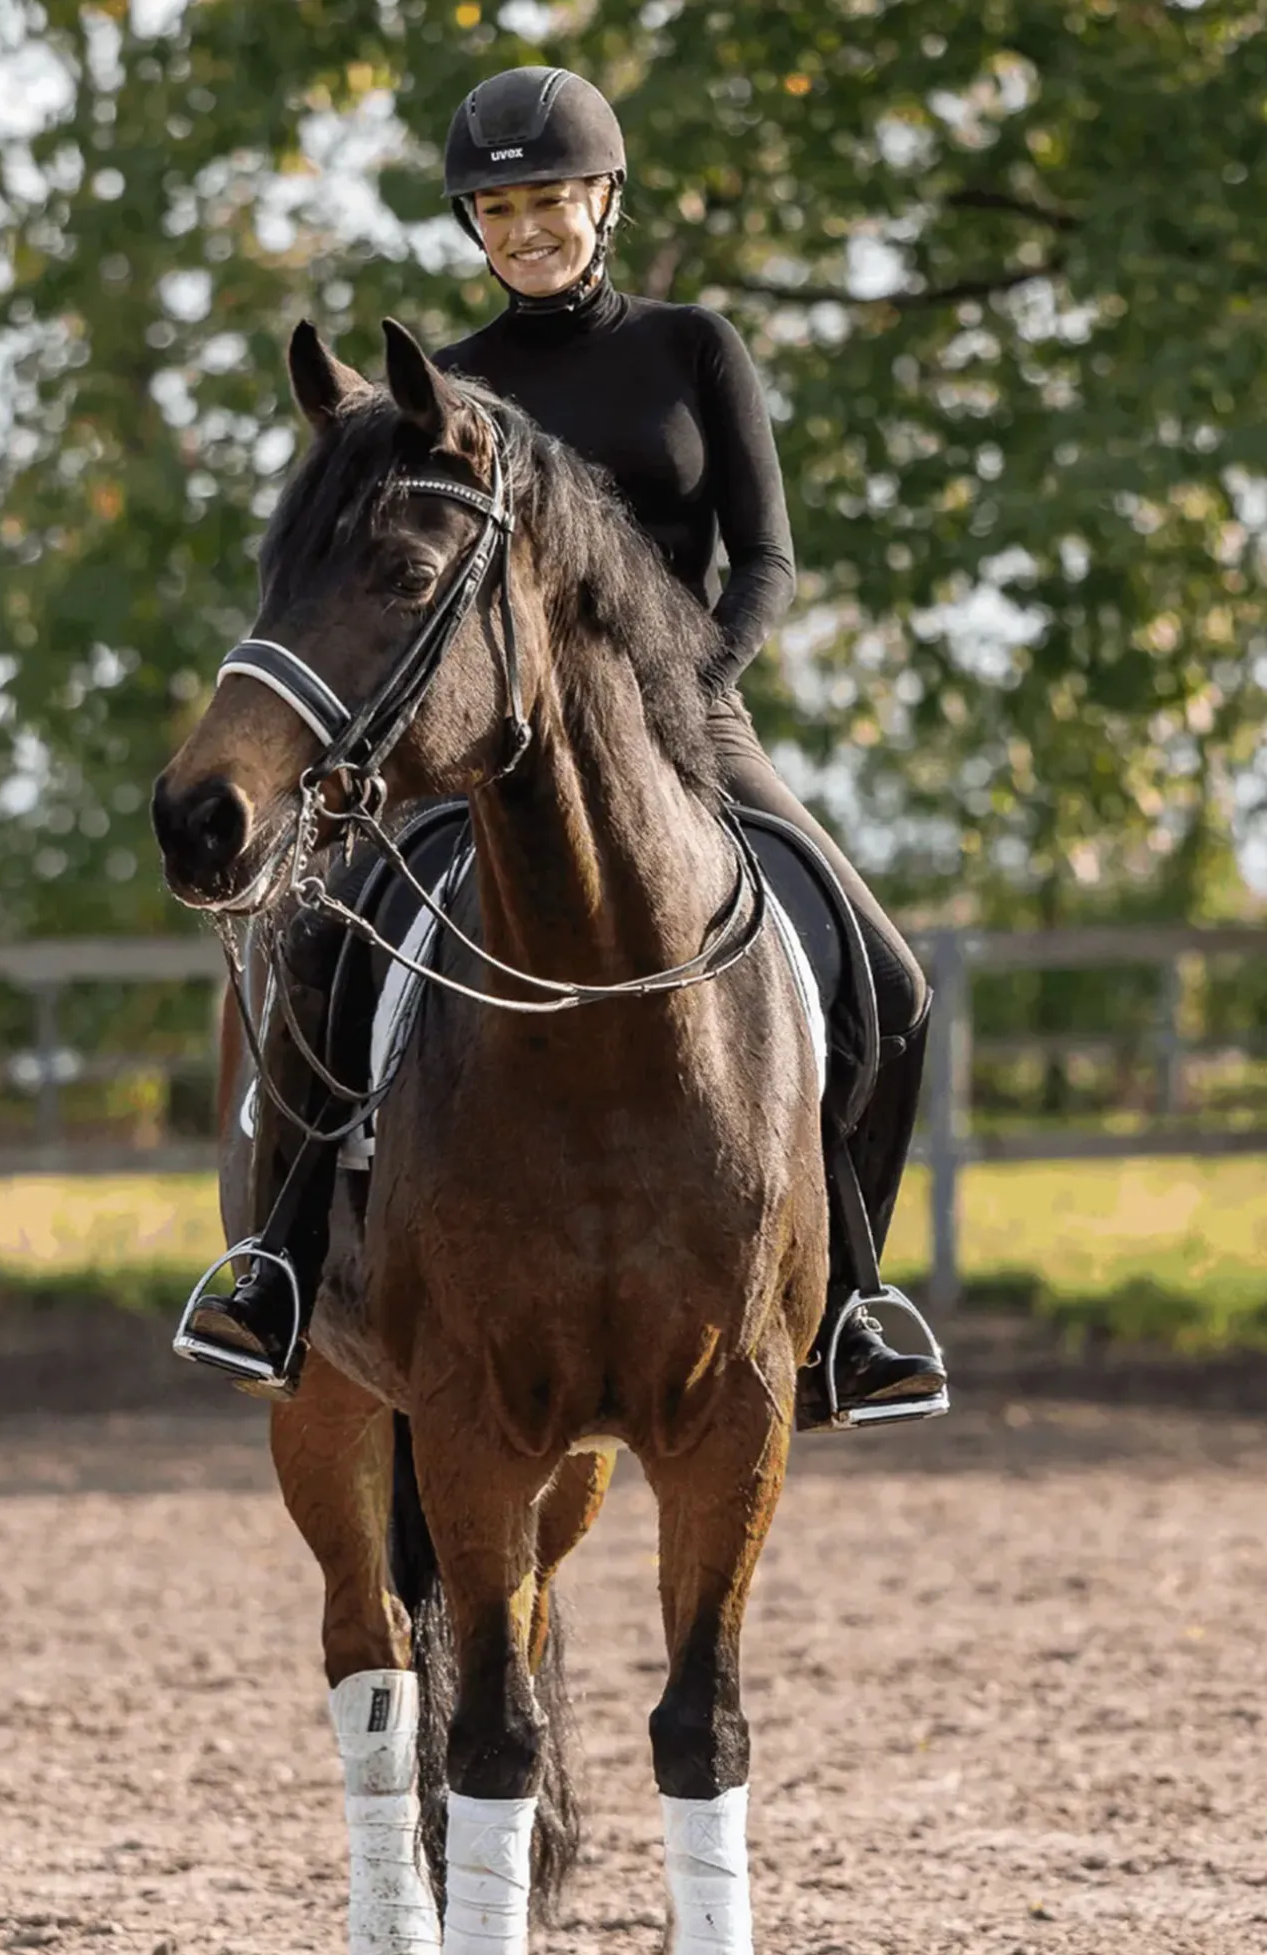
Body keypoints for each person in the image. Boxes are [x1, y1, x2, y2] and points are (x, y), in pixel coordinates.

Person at [183, 65, 947, 1430]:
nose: (526, 228)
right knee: (317, 946)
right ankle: (280, 1267)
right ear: (475, 225)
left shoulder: (693, 349)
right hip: (477, 740)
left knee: (887, 974)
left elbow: (764, 556)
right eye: (498, 208)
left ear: (604, 199)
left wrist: (695, 681)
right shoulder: (451, 386)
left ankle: (850, 1304)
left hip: (692, 719)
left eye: (549, 201)